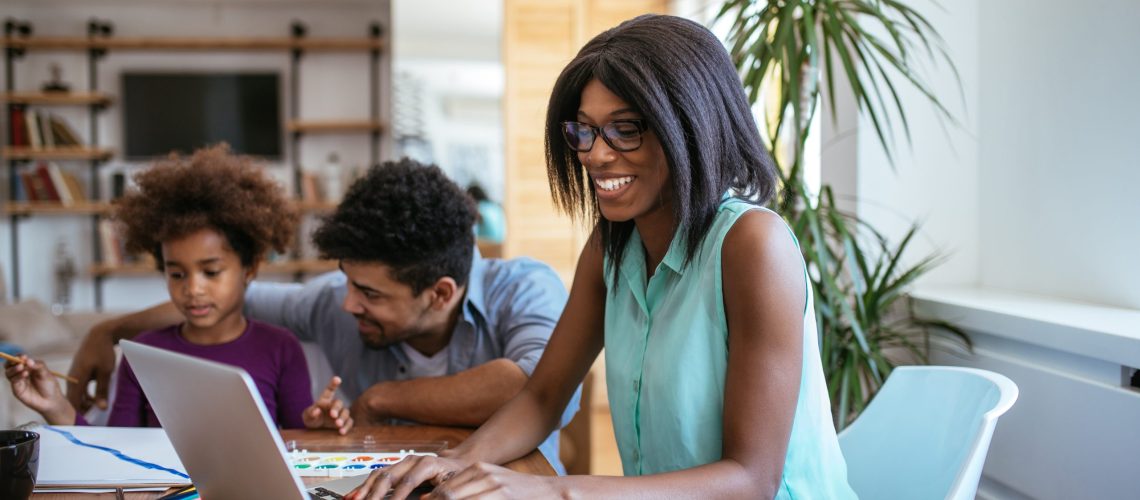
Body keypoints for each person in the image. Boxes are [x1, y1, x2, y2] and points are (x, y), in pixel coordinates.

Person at [348, 14, 856, 499]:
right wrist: (456, 462)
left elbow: (750, 481)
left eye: (626, 128)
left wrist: (551, 490)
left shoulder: (753, 245)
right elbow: (541, 398)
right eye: (584, 130)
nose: (594, 153)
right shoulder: (610, 247)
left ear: (692, 125)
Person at [65, 158, 577, 472]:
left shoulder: (524, 289)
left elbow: (539, 387)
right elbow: (224, 301)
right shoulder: (334, 299)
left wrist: (382, 398)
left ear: (440, 294)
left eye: (371, 294)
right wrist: (109, 330)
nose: (348, 303)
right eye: (347, 281)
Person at [5, 144, 348, 432]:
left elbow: (298, 447)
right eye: (177, 274)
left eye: (211, 272)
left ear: (250, 269)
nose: (193, 289)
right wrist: (54, 407)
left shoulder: (281, 348)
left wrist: (318, 428)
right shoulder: (143, 352)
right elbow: (113, 450)